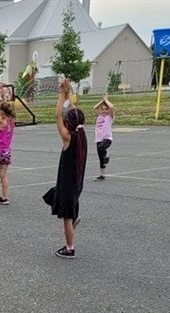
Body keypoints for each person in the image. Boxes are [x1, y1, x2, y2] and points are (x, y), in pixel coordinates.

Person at [50, 79, 87, 258]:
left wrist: (60, 95)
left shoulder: (68, 138)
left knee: (66, 218)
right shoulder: (81, 134)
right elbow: (72, 113)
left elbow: (58, 115)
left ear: (68, 124)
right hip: (76, 183)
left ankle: (69, 248)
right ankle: (73, 217)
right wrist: (67, 93)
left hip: (67, 182)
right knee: (54, 196)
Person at [93, 94, 114, 181]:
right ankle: (102, 175)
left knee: (102, 148)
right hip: (98, 139)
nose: (104, 111)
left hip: (107, 139)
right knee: (101, 157)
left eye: (106, 109)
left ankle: (106, 155)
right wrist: (102, 101)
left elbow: (112, 107)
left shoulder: (110, 117)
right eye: (103, 109)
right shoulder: (99, 117)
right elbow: (95, 108)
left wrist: (106, 100)